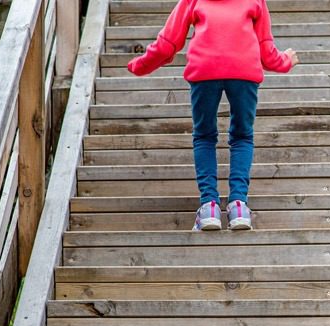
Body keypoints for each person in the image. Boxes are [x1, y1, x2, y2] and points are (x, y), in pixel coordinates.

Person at [126, 0, 298, 231]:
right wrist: (285, 61)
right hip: (243, 71)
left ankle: (209, 207)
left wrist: (140, 65)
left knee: (205, 136)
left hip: (204, 70)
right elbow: (266, 51)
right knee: (242, 136)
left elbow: (168, 44)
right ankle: (238, 207)